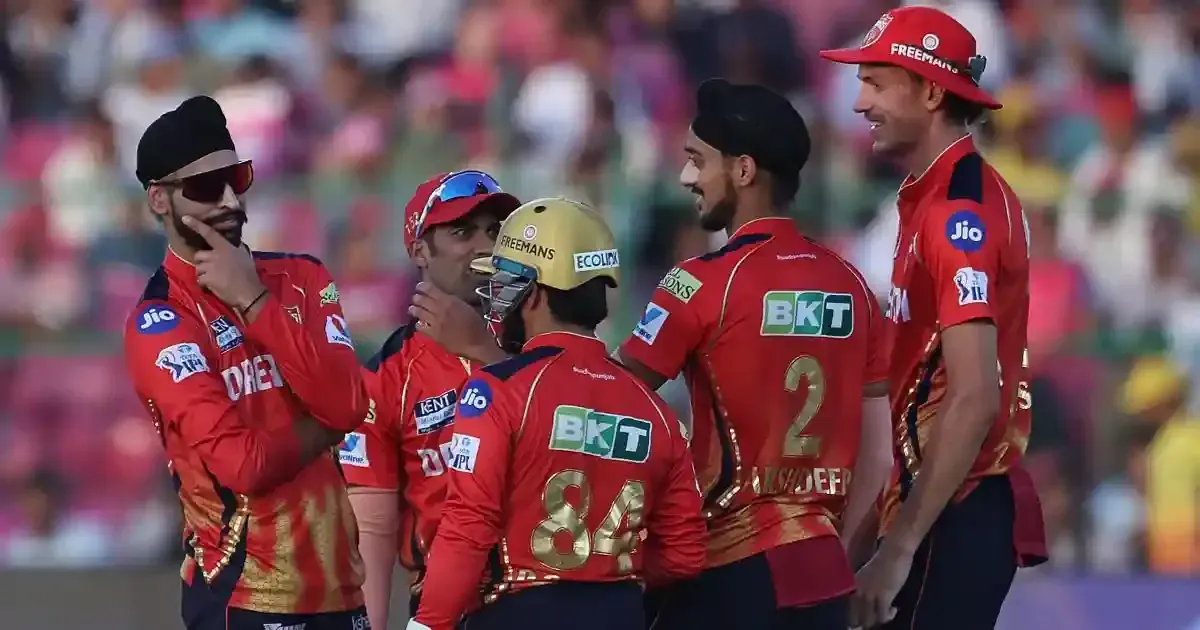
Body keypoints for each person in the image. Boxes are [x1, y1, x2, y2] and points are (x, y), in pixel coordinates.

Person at [615, 78, 893, 630]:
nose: (686, 177)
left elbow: (605, 397)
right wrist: (837, 558)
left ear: (743, 171)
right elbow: (879, 457)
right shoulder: (853, 286)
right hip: (823, 575)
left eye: (698, 161)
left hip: (726, 570)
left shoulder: (698, 283)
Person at [819, 6, 1048, 628]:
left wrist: (898, 551)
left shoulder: (956, 215)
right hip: (939, 505)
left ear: (929, 91)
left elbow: (973, 398)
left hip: (953, 510)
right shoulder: (936, 196)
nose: (859, 102)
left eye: (875, 83)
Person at [122, 96, 371, 630]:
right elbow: (245, 466)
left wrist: (255, 302)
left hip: (342, 594)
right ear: (159, 199)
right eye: (207, 187)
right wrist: (328, 426)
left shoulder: (303, 277)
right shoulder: (159, 320)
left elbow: (351, 403)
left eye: (237, 179)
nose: (231, 200)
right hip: (242, 600)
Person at [407, 198, 708, 630]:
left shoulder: (496, 390)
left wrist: (427, 623)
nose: (496, 297)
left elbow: (468, 526)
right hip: (620, 614)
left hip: (521, 613)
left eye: (506, 282)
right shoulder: (656, 410)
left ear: (533, 293)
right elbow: (684, 554)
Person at [340, 171, 520, 628]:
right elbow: (373, 531)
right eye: (462, 232)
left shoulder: (542, 335)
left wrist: (486, 353)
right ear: (419, 250)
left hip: (547, 592)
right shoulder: (386, 376)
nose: (485, 246)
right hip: (448, 611)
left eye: (494, 231)